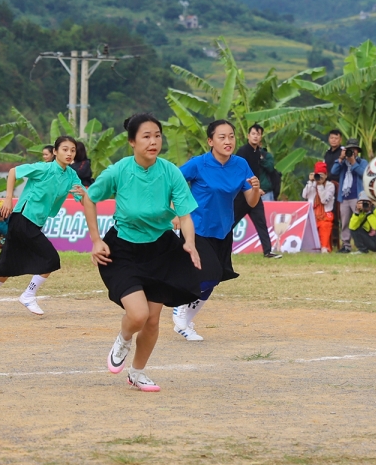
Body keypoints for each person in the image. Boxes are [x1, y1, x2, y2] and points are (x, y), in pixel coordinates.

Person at [83, 113, 221, 392]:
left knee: (153, 319)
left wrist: (190, 242)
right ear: (132, 141)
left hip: (161, 250)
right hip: (122, 250)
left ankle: (137, 372)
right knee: (137, 315)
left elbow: (185, 214)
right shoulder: (118, 171)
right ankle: (123, 338)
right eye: (146, 136)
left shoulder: (170, 172)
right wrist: (96, 240)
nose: (153, 141)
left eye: (157, 135)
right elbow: (89, 197)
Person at [0, 136, 85, 318]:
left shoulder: (71, 175)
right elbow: (13, 171)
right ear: (55, 152)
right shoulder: (44, 168)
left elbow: (83, 198)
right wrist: (8, 198)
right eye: (65, 149)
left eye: (72, 150)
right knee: (51, 258)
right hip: (22, 219)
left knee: (7, 265)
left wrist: (87, 195)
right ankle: (28, 295)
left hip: (35, 223)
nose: (69, 153)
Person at [173, 119, 264, 341]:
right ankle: (179, 309)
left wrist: (255, 189)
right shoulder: (199, 164)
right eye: (222, 137)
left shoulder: (241, 164)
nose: (228, 141)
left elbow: (251, 202)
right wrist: (175, 211)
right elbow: (172, 181)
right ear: (210, 141)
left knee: (216, 278)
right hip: (197, 228)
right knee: (209, 273)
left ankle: (185, 321)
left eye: (231, 136)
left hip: (223, 229)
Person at [236, 123, 282, 258]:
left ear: (261, 137)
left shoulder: (259, 153)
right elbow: (239, 173)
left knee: (261, 222)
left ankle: (267, 251)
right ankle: (217, 247)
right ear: (248, 136)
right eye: (253, 134)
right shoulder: (243, 151)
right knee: (230, 222)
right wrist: (252, 188)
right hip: (242, 195)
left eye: (258, 134)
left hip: (255, 195)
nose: (255, 136)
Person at [332, 138, 367, 253]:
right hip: (344, 197)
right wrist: (341, 158)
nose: (352, 152)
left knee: (360, 221)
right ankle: (346, 246)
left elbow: (364, 174)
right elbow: (333, 172)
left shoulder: (362, 162)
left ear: (357, 151)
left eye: (354, 149)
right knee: (345, 223)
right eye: (349, 149)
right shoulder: (343, 163)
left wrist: (353, 163)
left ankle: (362, 245)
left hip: (357, 196)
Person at [302, 161, 336, 253]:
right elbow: (304, 195)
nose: (319, 178)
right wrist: (310, 182)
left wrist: (320, 186)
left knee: (325, 224)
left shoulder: (330, 185)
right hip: (312, 214)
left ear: (326, 175)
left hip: (325, 214)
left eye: (321, 175)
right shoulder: (312, 184)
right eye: (318, 175)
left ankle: (324, 247)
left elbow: (324, 200)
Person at [323, 129, 344, 249]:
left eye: (336, 138)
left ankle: (340, 241)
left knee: (338, 212)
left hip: (339, 185)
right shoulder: (327, 153)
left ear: (340, 139)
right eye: (331, 138)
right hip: (328, 185)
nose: (333, 140)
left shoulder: (343, 153)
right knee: (329, 211)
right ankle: (331, 240)